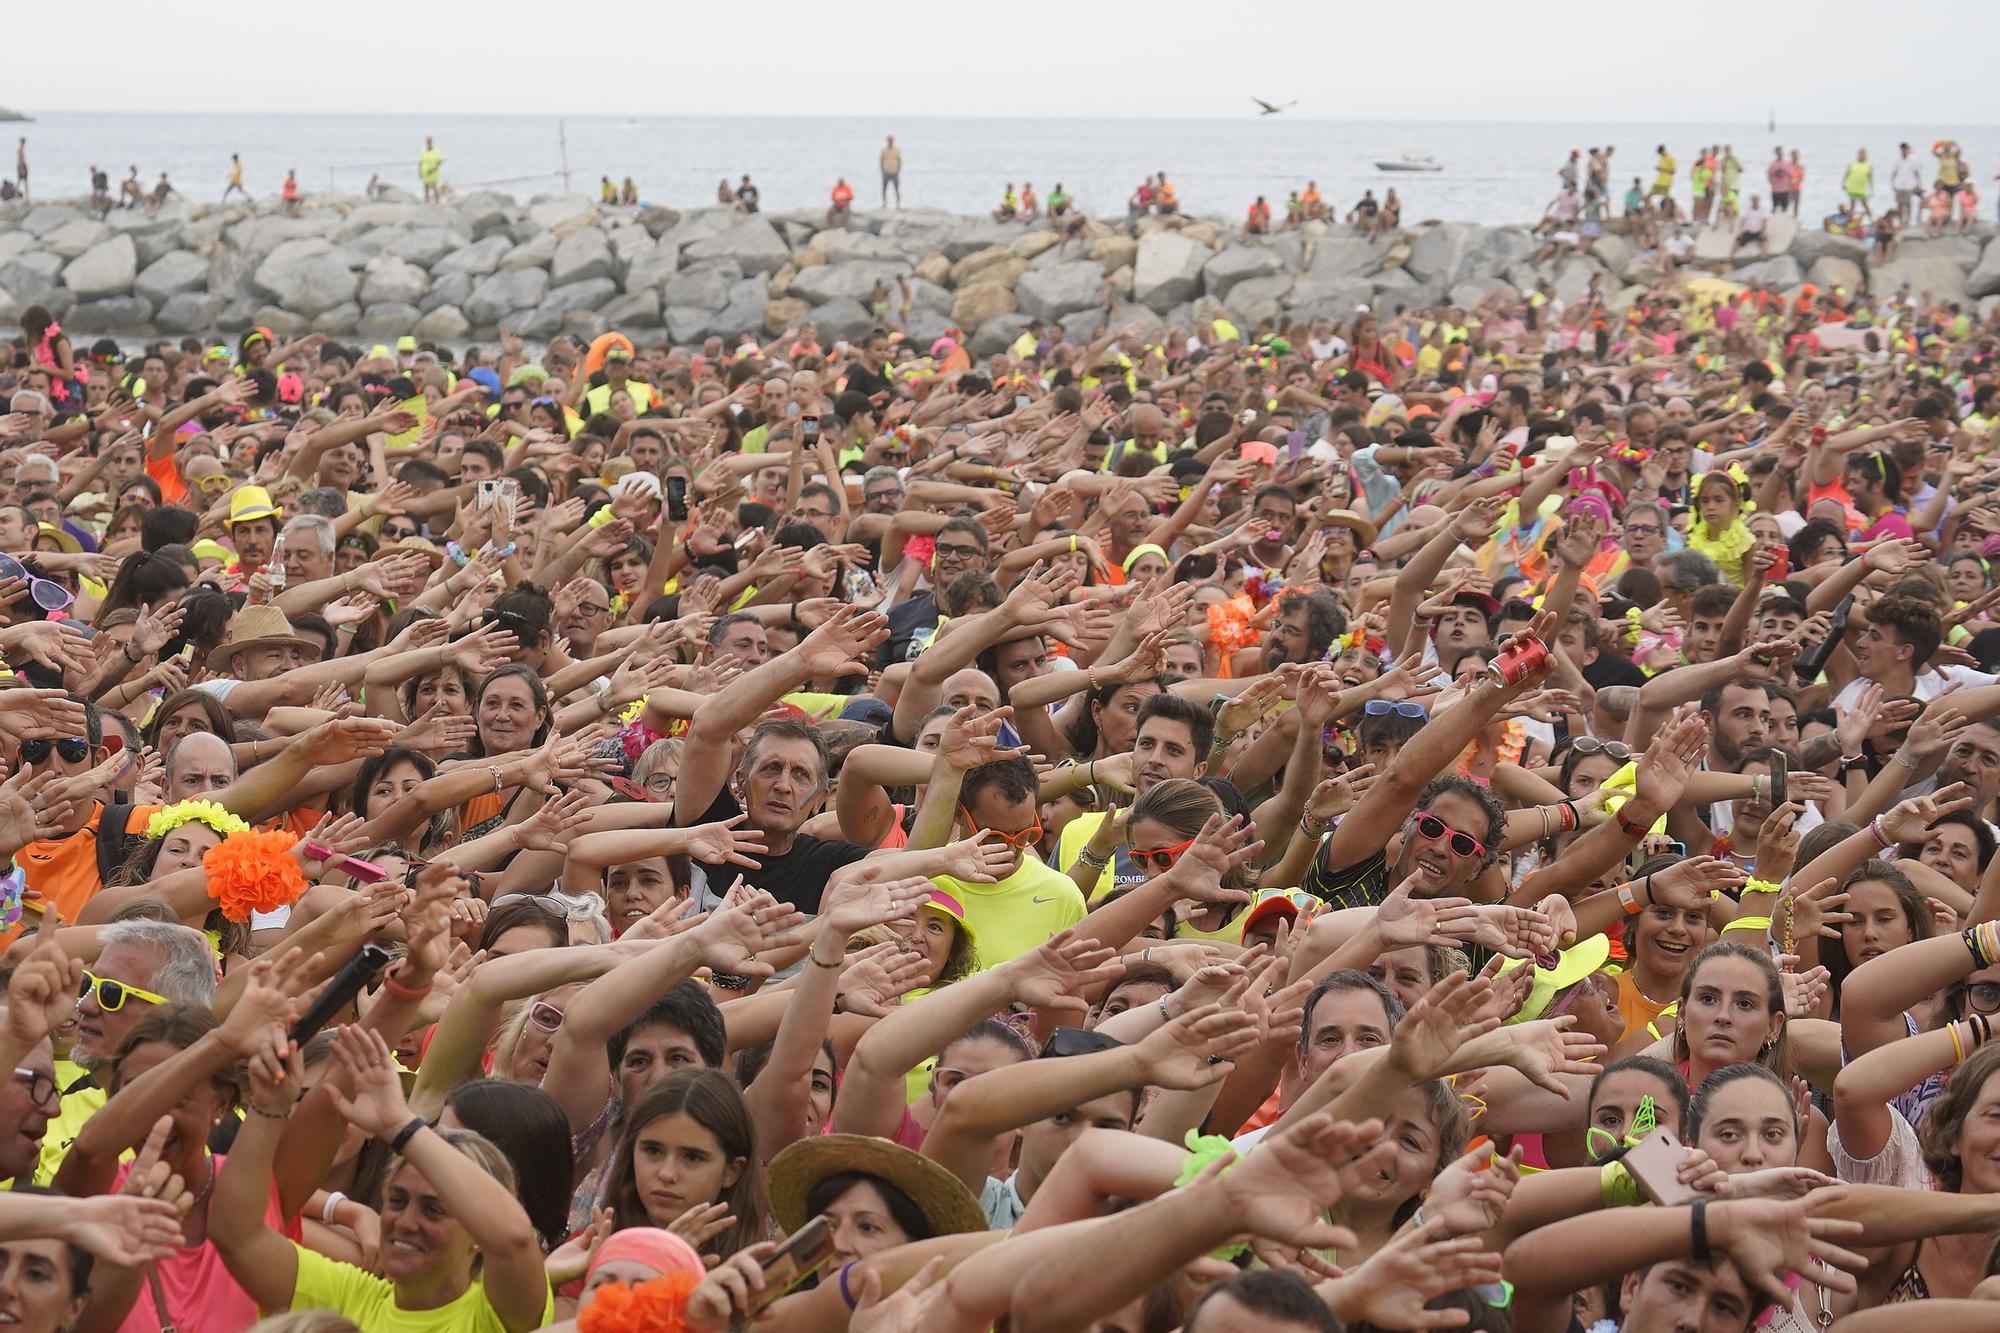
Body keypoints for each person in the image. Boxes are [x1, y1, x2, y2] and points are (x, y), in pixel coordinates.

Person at [879, 134, 902, 208]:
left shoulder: (897, 150)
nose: (890, 142)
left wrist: (898, 169)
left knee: (896, 188)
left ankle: (898, 204)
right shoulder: (883, 150)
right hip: (886, 172)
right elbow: (881, 160)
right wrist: (882, 170)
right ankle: (884, 203)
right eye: (889, 140)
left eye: (891, 140)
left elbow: (899, 160)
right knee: (884, 189)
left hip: (894, 172)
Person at [418, 136, 442, 203]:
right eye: (427, 142)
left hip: (433, 172)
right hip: (425, 172)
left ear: (431, 142)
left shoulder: (436, 151)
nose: (428, 143)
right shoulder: (424, 152)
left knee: (434, 187)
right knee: (426, 187)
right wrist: (419, 172)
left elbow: (439, 162)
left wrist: (433, 169)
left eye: (429, 142)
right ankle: (426, 201)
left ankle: (437, 201)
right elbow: (420, 162)